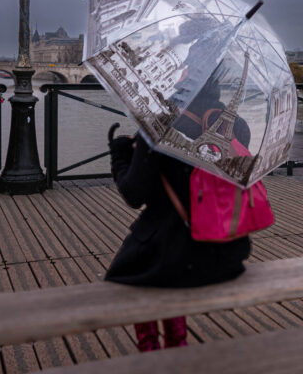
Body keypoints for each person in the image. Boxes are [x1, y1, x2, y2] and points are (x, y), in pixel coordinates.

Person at [105, 83, 251, 352]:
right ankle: (177, 340)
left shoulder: (160, 128)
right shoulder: (238, 127)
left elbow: (133, 195)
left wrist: (120, 155)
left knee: (140, 265)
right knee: (169, 258)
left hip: (177, 252)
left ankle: (150, 347)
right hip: (224, 251)